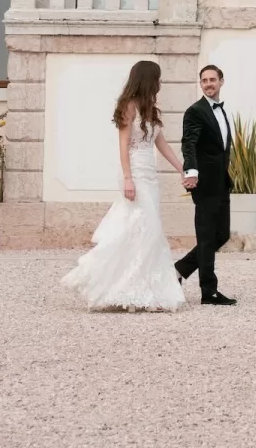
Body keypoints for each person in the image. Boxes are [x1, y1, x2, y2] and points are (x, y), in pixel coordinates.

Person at [63, 60, 187, 312]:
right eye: (157, 79)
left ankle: (141, 288)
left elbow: (161, 143)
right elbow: (123, 144)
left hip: (150, 175)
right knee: (143, 226)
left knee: (145, 229)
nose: (160, 84)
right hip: (135, 172)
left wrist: (181, 167)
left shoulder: (151, 109)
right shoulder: (128, 107)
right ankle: (112, 281)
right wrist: (128, 178)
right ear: (148, 80)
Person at [174, 64, 236, 306]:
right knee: (207, 236)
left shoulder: (221, 111)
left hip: (222, 182)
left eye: (212, 79)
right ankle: (208, 292)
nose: (208, 84)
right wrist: (191, 171)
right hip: (204, 183)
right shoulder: (195, 111)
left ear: (221, 81)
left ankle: (178, 270)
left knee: (221, 235)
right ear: (201, 84)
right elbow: (188, 143)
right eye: (204, 81)